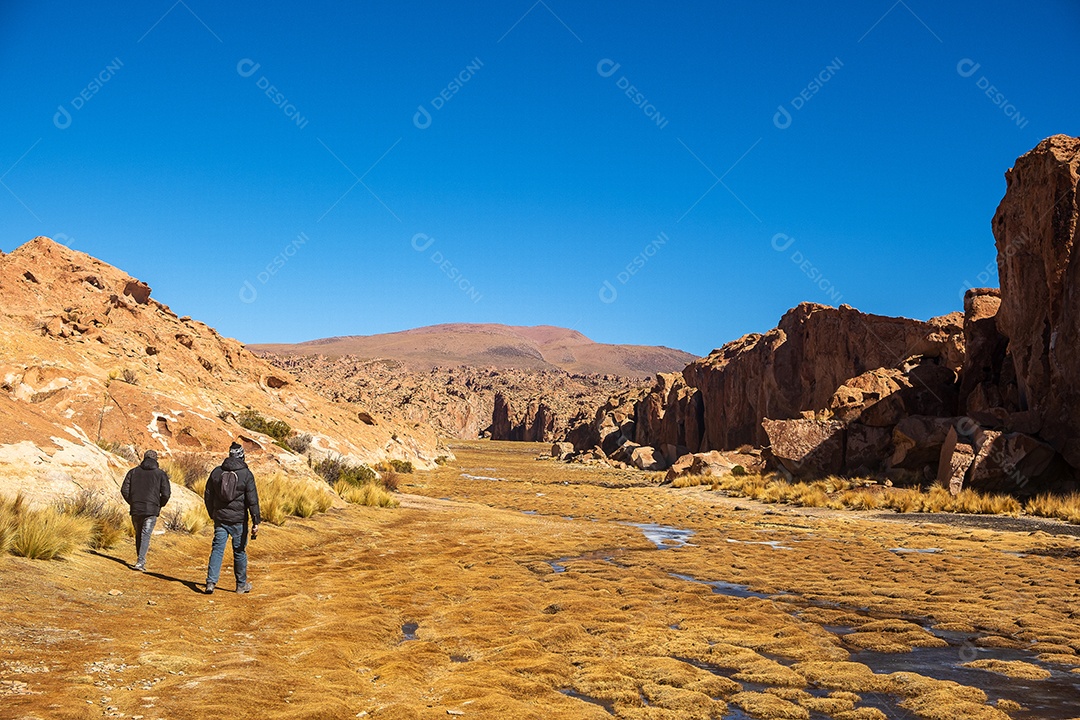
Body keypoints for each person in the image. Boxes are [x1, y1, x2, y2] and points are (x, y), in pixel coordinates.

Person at [203, 442, 261, 595]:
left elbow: (208, 495)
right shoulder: (246, 474)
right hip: (239, 521)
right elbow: (252, 500)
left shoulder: (216, 472)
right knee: (239, 551)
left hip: (220, 519)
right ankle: (241, 585)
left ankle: (210, 582)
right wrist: (256, 521)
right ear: (242, 455)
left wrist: (212, 514)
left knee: (217, 549)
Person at [120, 449, 171, 572]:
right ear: (156, 459)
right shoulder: (160, 474)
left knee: (139, 534)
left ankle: (140, 559)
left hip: (136, 508)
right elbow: (166, 494)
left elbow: (124, 490)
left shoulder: (133, 472)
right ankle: (140, 562)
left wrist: (132, 502)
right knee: (146, 534)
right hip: (151, 509)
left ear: (144, 458)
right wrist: (159, 505)